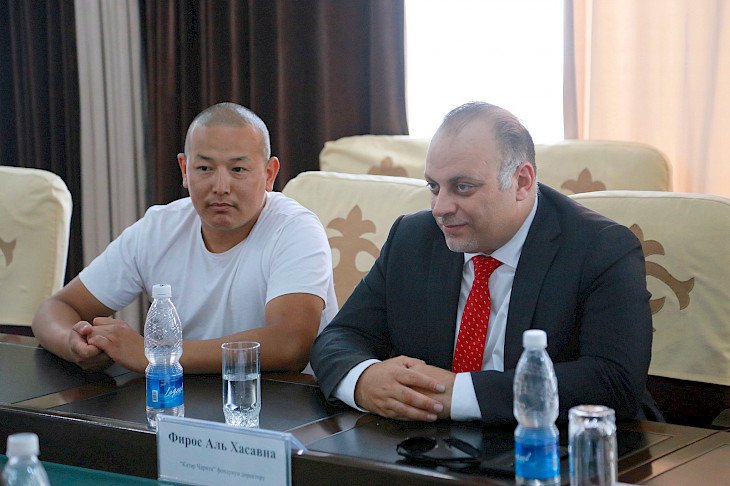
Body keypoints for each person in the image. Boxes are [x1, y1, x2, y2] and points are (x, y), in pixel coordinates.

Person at [310, 102, 658, 425]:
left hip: (555, 445)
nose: (440, 208)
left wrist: (458, 395)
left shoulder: (601, 249)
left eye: (463, 187)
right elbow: (340, 336)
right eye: (433, 186)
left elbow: (614, 380)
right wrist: (363, 380)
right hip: (427, 446)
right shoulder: (413, 237)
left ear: (521, 182)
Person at [32, 102, 337, 374]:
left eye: (238, 169)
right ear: (184, 170)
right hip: (179, 399)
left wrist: (158, 356)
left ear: (269, 174)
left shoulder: (295, 229)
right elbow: (55, 309)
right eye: (204, 168)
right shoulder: (159, 228)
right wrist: (74, 343)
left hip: (281, 403)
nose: (221, 186)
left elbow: (290, 345)